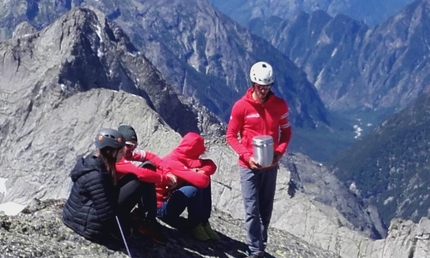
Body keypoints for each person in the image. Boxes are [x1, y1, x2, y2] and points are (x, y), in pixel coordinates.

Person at [226, 61, 292, 258]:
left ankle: (260, 243)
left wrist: (279, 153)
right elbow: (230, 135)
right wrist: (246, 156)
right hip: (248, 166)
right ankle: (255, 249)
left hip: (270, 165)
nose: (263, 90)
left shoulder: (279, 105)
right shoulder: (241, 107)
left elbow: (286, 132)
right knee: (252, 208)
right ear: (253, 83)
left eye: (267, 86)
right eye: (260, 86)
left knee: (266, 208)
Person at [63, 128, 145, 245]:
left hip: (76, 215)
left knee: (131, 179)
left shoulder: (95, 164)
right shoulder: (96, 176)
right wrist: (123, 231)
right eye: (121, 152)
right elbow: (106, 215)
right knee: (134, 184)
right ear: (111, 152)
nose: (123, 155)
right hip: (83, 224)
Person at [115, 124, 177, 244]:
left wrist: (167, 171)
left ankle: (142, 216)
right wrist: (165, 179)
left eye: (135, 146)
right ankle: (148, 222)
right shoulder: (118, 158)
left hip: (117, 194)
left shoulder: (125, 152)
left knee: (149, 167)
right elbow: (140, 174)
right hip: (113, 204)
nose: (132, 149)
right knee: (144, 178)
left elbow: (151, 156)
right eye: (129, 145)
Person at [156, 132, 219, 241]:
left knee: (204, 177)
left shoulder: (184, 156)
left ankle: (203, 222)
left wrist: (202, 170)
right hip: (160, 208)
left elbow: (211, 164)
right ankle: (194, 225)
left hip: (170, 199)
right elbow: (202, 182)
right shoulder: (173, 161)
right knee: (195, 187)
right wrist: (200, 173)